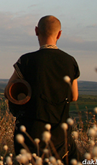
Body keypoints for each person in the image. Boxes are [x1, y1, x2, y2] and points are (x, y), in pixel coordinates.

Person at [7, 15, 80, 164]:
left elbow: (9, 91)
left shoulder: (26, 60)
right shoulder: (70, 61)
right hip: (60, 133)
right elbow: (74, 96)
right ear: (59, 34)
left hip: (30, 132)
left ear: (36, 31)